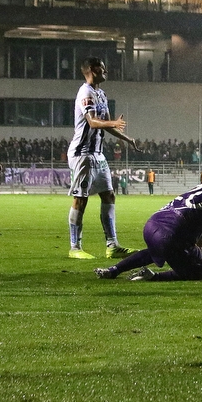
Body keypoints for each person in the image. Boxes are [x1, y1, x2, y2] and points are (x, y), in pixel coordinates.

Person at [94, 165, 202, 283]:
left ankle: (114, 270)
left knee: (160, 249)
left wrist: (196, 236)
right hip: (172, 235)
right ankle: (153, 276)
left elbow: (190, 208)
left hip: (152, 224)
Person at [66, 57, 141, 260]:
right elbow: (92, 122)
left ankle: (112, 245)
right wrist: (113, 123)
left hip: (97, 155)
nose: (106, 70)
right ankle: (75, 247)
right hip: (82, 154)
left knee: (109, 195)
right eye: (102, 68)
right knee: (80, 200)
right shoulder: (86, 92)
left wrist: (127, 139)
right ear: (91, 69)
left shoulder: (101, 94)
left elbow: (107, 123)